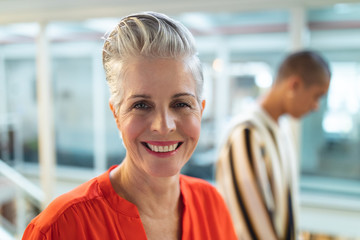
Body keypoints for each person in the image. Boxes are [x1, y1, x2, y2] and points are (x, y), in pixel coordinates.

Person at [22, 12, 237, 240]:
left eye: (181, 103)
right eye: (142, 105)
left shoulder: (211, 205)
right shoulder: (60, 228)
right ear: (116, 114)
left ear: (201, 111)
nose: (163, 126)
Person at [216, 50, 331, 240]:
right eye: (316, 95)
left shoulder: (280, 129)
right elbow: (253, 228)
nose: (315, 106)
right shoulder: (247, 134)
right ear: (294, 85)